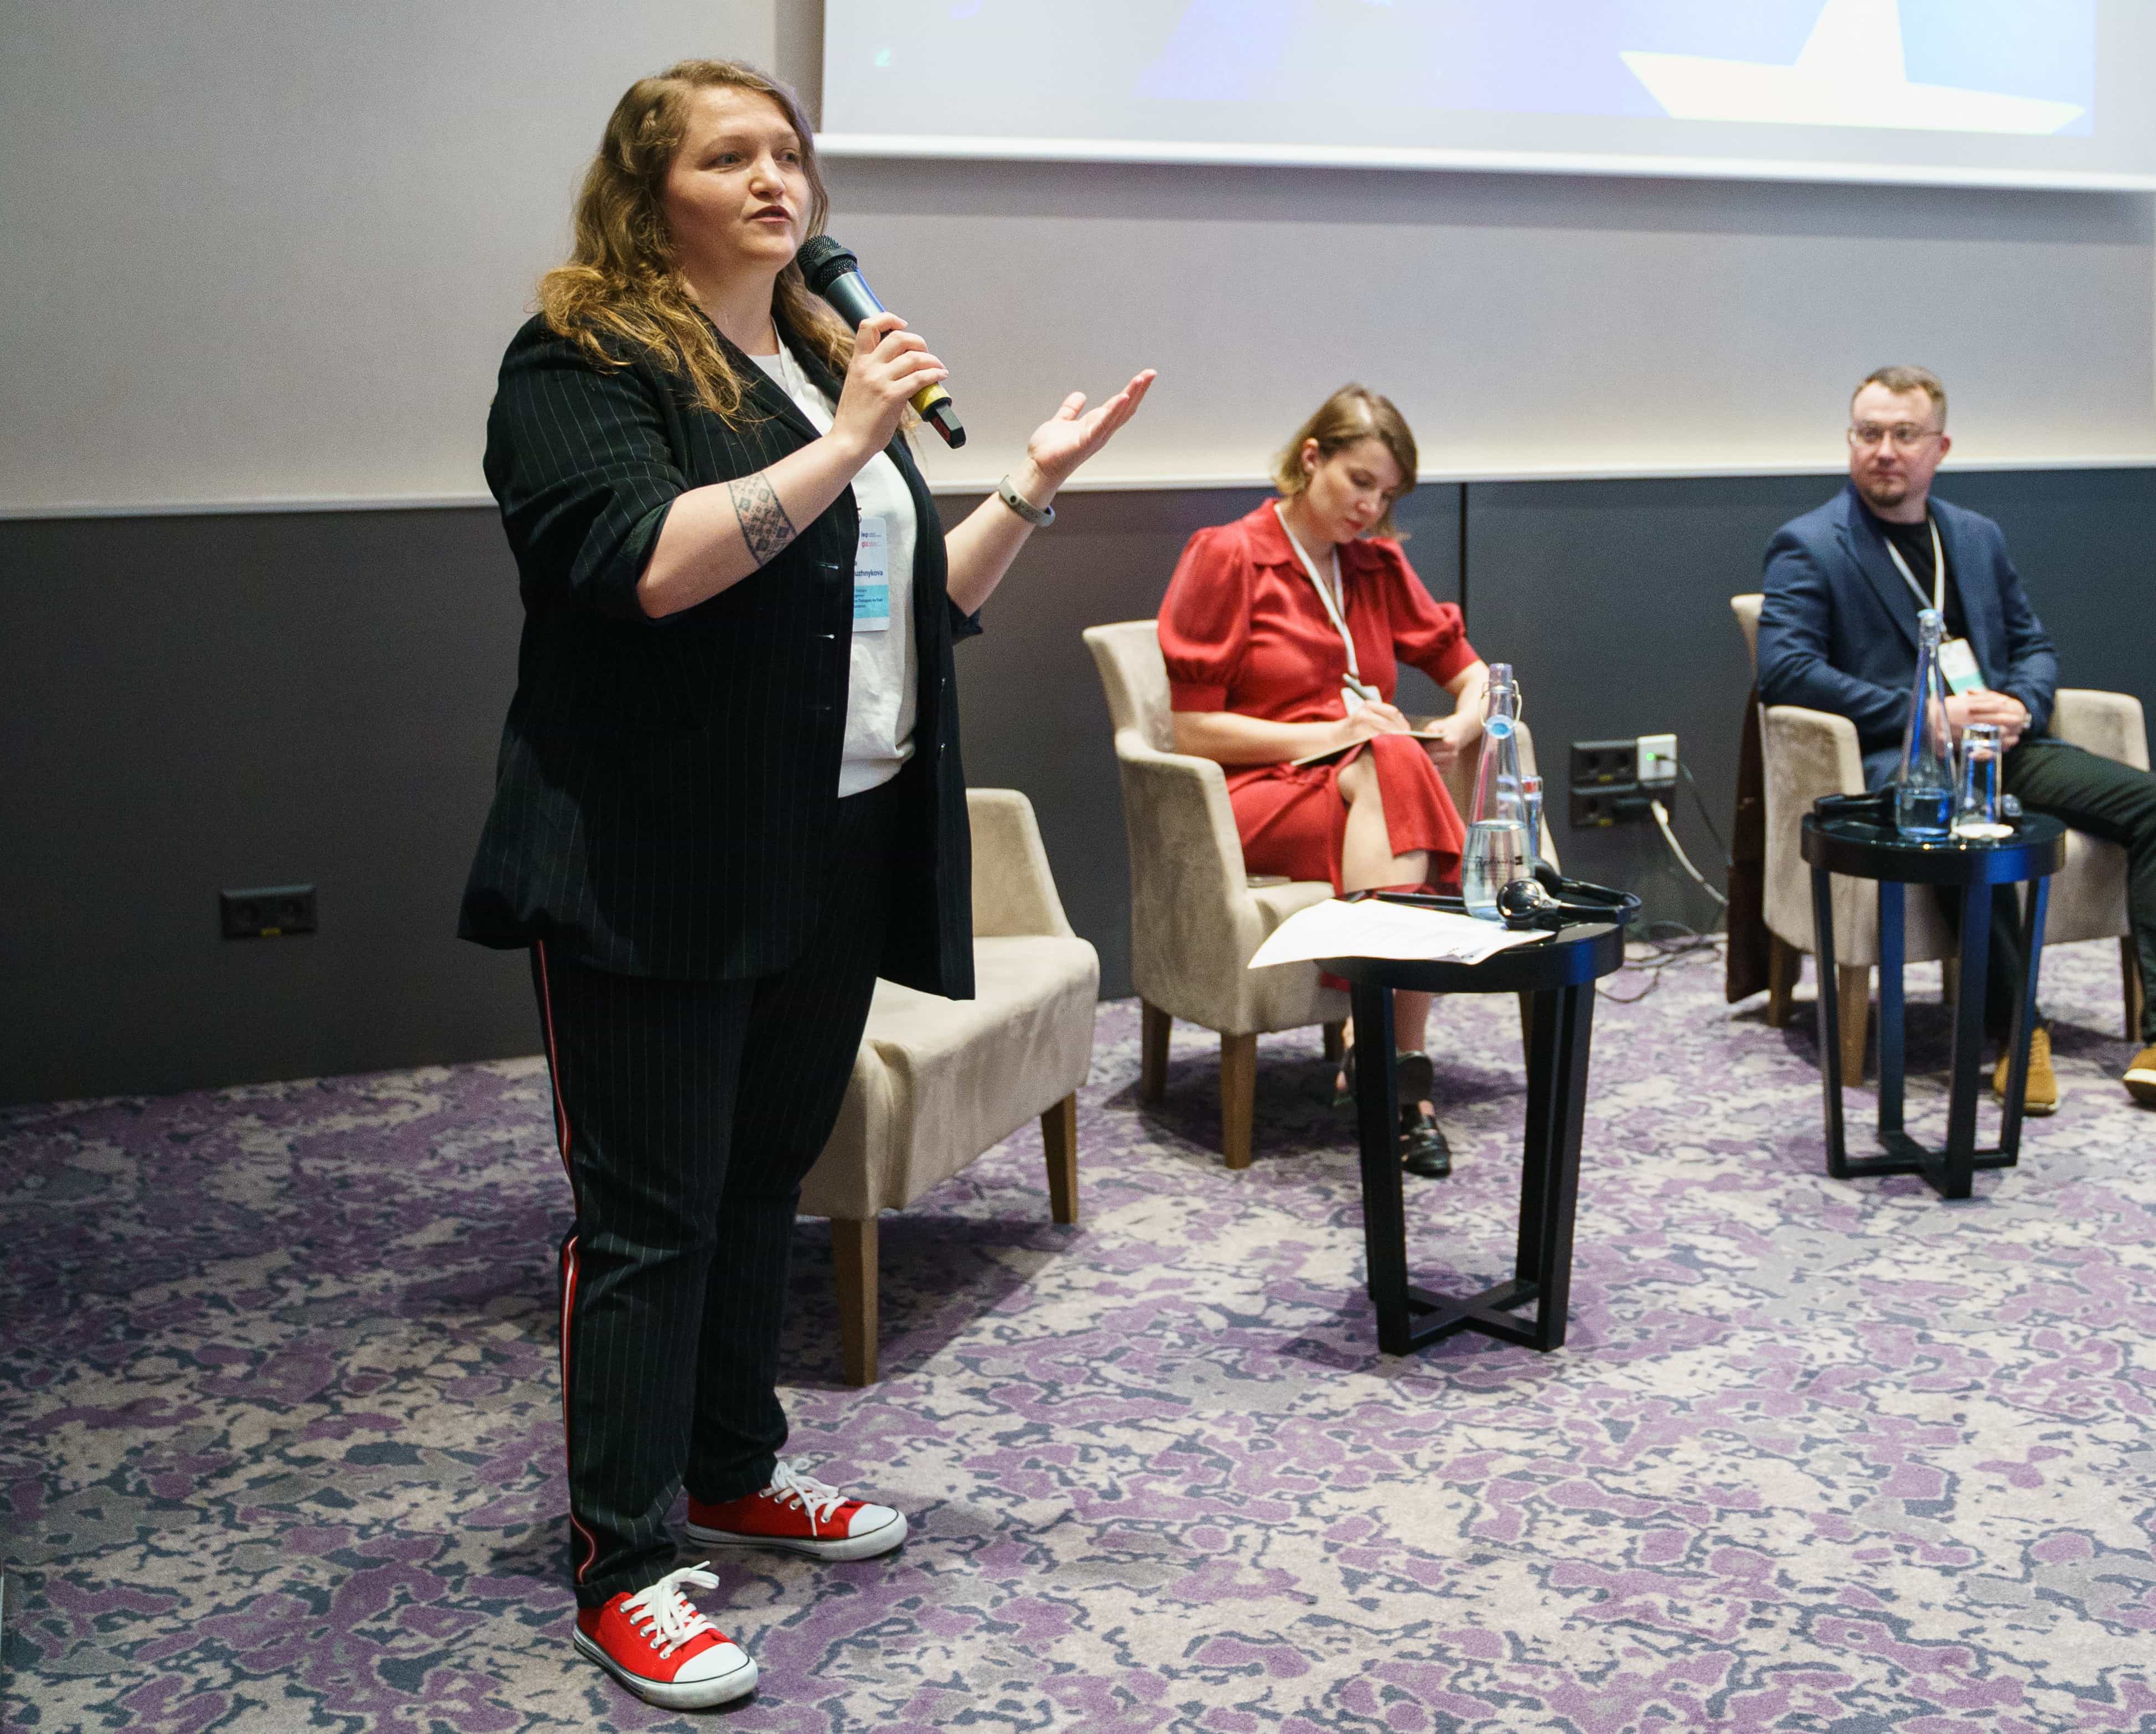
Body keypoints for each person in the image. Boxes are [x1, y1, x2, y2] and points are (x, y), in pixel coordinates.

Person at [460, 60, 1153, 1710]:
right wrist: (850, 439)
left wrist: (1028, 487)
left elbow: (907, 610)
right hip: (654, 856)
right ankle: (624, 1559)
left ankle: (729, 1465)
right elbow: (643, 565)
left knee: (764, 1178)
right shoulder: (585, 360)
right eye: (730, 157)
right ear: (650, 195)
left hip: (832, 842)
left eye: (789, 153)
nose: (777, 180)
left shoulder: (814, 365)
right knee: (650, 1218)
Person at [1758, 367, 2156, 1120]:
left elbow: (2034, 645)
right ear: (1851, 441)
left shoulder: (1976, 537)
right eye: (1869, 433)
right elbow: (1785, 670)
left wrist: (2021, 704)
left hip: (1999, 747)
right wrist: (1923, 715)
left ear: (1940, 447)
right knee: (1958, 820)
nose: (1884, 450)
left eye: (1904, 434)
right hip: (1900, 765)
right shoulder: (1812, 544)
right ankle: (2016, 1032)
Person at [1155, 386, 1496, 1177]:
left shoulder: (1375, 563)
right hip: (1253, 794)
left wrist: (1461, 724)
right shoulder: (1229, 553)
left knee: (1400, 762)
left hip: (1359, 788)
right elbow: (1194, 731)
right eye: (1359, 481)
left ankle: (1380, 1063)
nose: (1370, 508)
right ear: (1312, 458)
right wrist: (1336, 735)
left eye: (1386, 494)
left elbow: (1472, 672)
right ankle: (1399, 1078)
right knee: (1398, 770)